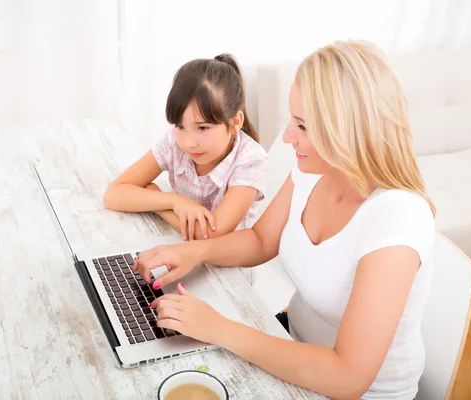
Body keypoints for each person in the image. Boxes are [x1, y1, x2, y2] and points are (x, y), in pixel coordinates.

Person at [133, 40, 436, 400]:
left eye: (304, 126)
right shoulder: (313, 171)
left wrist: (218, 328)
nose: (288, 136)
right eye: (292, 120)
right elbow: (261, 240)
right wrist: (193, 253)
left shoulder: (396, 219)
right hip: (288, 342)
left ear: (350, 130)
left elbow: (347, 378)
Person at [104, 54, 268, 285]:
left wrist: (156, 199)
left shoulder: (251, 159)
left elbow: (209, 234)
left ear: (235, 123)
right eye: (180, 126)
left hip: (226, 275)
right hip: (177, 253)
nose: (189, 142)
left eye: (202, 128)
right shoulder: (174, 142)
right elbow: (114, 194)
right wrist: (176, 202)